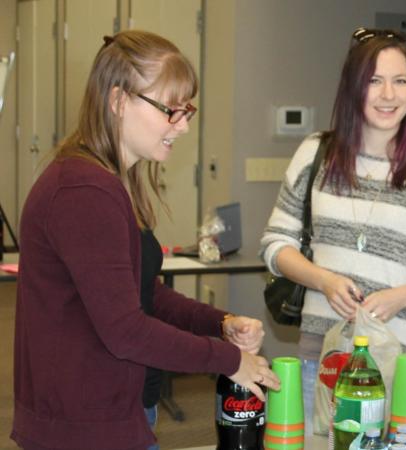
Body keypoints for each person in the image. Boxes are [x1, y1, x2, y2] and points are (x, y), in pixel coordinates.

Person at [12, 30, 280, 450]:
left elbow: (141, 293)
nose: (184, 125)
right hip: (83, 428)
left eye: (187, 110)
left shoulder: (110, 182)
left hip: (119, 410)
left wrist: (219, 324)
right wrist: (231, 362)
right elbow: (125, 330)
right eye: (171, 110)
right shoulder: (84, 191)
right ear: (118, 102)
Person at [261, 27, 406, 429]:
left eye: (400, 81)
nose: (389, 95)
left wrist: (402, 297)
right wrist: (325, 281)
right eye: (375, 81)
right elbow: (275, 245)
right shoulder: (316, 153)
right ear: (352, 88)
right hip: (326, 360)